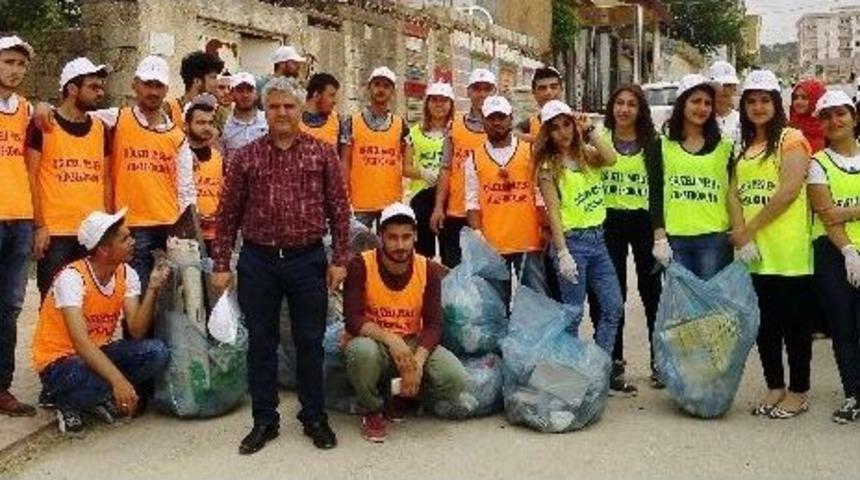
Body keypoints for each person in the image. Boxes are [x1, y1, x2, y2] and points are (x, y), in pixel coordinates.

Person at [211, 77, 351, 454]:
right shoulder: (246, 156)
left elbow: (340, 210)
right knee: (261, 343)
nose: (283, 113)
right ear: (265, 110)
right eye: (274, 107)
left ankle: (314, 416)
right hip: (259, 261)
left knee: (309, 342)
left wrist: (340, 259)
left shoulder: (322, 154)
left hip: (308, 260)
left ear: (300, 107)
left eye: (289, 106)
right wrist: (221, 263)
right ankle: (264, 420)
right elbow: (227, 216)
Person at [31, 208, 170, 437]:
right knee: (93, 379)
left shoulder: (127, 274)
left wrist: (153, 288)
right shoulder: (72, 278)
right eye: (125, 238)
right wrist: (119, 381)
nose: (133, 242)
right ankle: (62, 400)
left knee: (157, 352)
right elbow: (80, 342)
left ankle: (93, 396)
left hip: (97, 354)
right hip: (60, 362)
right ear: (104, 250)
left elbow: (136, 330)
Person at [728, 69, 813, 419]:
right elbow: (732, 192)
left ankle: (799, 391)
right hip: (754, 255)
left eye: (764, 100)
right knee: (765, 325)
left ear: (776, 104)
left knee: (794, 326)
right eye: (751, 101)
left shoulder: (791, 139)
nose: (758, 107)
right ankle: (775, 385)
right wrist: (739, 233)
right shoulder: (743, 144)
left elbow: (789, 191)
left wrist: (750, 229)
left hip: (789, 252)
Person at [342, 202, 466, 443]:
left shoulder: (427, 269)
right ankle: (372, 409)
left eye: (406, 237)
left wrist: (417, 363)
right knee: (361, 352)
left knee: (455, 379)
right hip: (376, 342)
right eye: (393, 238)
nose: (400, 245)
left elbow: (433, 325)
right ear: (381, 237)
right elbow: (353, 319)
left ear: (415, 236)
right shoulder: (361, 264)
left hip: (412, 342)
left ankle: (402, 396)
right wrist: (391, 340)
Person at [587, 85, 662, 393]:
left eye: (632, 104)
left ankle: (660, 361)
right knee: (610, 293)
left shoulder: (652, 143)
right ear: (611, 107)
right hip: (610, 221)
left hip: (643, 222)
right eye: (619, 103)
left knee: (652, 293)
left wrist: (660, 231)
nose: (625, 109)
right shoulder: (599, 140)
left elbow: (659, 189)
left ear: (640, 110)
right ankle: (613, 361)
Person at [535, 100, 621, 355]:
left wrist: (590, 130)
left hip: (598, 240)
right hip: (573, 244)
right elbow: (553, 213)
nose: (563, 132)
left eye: (567, 124)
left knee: (613, 307)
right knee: (573, 315)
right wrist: (562, 254)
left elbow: (612, 158)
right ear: (547, 134)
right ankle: (569, 371)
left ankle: (599, 367)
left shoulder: (587, 156)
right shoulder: (548, 168)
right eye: (555, 128)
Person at [26, 57, 111, 299]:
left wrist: (106, 226)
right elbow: (30, 176)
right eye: (93, 87)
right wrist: (39, 226)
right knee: (53, 302)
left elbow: (105, 180)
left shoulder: (101, 129)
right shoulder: (43, 125)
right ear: (72, 89)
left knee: (88, 301)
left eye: (101, 87)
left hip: (91, 233)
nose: (100, 93)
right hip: (56, 232)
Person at [107, 56, 193, 293]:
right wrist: (43, 109)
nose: (153, 91)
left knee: (168, 300)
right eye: (147, 84)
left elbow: (186, 189)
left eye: (158, 86)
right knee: (136, 293)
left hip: (169, 225)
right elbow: (72, 117)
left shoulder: (177, 136)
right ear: (135, 85)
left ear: (166, 89)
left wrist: (185, 228)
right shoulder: (117, 118)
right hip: (131, 226)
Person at [647, 74, 735, 280]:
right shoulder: (661, 145)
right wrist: (658, 236)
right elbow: (655, 193)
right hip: (675, 238)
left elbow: (732, 193)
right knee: (682, 310)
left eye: (707, 103)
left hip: (714, 238)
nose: (702, 108)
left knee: (710, 308)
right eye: (695, 101)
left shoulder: (726, 147)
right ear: (682, 104)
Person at [807, 89, 860, 424]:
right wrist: (849, 251)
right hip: (833, 252)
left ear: (854, 117)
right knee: (844, 325)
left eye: (840, 113)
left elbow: (834, 210)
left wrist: (846, 211)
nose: (834, 121)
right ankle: (853, 393)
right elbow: (826, 215)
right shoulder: (818, 163)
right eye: (826, 116)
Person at [465, 95, 547, 302]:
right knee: (496, 307)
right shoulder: (474, 158)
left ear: (511, 119)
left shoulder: (529, 151)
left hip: (528, 242)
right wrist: (476, 233)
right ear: (483, 122)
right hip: (492, 245)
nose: (497, 123)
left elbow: (540, 195)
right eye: (491, 118)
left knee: (535, 303)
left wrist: (545, 228)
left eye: (501, 117)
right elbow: (472, 200)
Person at [0, 35, 37, 417]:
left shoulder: (25, 109)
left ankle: (2, 387)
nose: (15, 70)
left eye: (20, 64)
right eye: (8, 61)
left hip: (19, 217)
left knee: (9, 306)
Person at [430, 68, 495, 267]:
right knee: (454, 273)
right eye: (477, 89)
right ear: (469, 92)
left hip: (490, 214)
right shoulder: (455, 126)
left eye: (487, 89)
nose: (482, 94)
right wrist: (439, 206)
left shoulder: (502, 128)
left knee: (487, 278)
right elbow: (446, 168)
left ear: (494, 91)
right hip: (456, 212)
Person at [340, 67, 418, 228]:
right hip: (359, 205)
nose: (381, 89)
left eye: (386, 86)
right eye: (377, 84)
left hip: (390, 203)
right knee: (359, 252)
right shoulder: (352, 122)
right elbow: (345, 162)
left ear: (393, 91)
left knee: (388, 251)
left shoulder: (401, 125)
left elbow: (408, 164)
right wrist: (344, 197)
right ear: (369, 88)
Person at [407, 82, 454, 258]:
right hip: (421, 196)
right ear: (427, 103)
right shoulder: (414, 133)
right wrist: (424, 173)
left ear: (451, 104)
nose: (439, 105)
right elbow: (405, 168)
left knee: (449, 253)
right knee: (423, 253)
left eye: (444, 100)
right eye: (434, 100)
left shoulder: (456, 131)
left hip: (450, 197)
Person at [182, 94, 223, 252]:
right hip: (184, 239)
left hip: (214, 236)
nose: (206, 127)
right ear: (186, 125)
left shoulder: (219, 158)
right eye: (200, 122)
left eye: (210, 123)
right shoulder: (177, 157)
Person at [166, 51, 224, 129]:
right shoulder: (169, 110)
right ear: (196, 81)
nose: (217, 83)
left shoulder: (218, 112)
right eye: (213, 77)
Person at [221, 72, 267, 163]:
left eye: (249, 90)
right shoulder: (224, 124)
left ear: (256, 94)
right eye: (240, 90)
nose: (245, 95)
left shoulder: (268, 120)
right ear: (232, 94)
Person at [516, 66, 563, 143]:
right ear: (534, 93)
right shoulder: (527, 126)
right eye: (542, 88)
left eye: (553, 87)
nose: (549, 92)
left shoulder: (577, 123)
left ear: (561, 90)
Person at [300, 72, 340, 146]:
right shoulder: (294, 120)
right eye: (331, 95)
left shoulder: (337, 121)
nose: (335, 101)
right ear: (316, 95)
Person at [709, 60, 741, 145]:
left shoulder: (741, 120)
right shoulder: (703, 118)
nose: (725, 90)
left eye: (730, 85)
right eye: (721, 85)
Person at [790, 79, 826, 154]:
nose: (798, 102)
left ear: (816, 99)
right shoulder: (790, 127)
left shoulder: (828, 128)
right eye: (795, 97)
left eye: (804, 97)